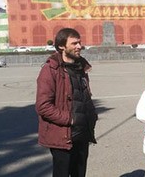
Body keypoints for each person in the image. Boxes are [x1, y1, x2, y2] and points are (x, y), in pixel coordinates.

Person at [35, 27, 98, 177]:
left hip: (82, 133)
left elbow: (83, 96)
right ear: (62, 46)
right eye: (74, 43)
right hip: (63, 135)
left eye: (79, 42)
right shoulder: (50, 70)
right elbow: (43, 106)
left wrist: (91, 117)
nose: (79, 46)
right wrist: (69, 118)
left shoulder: (81, 67)